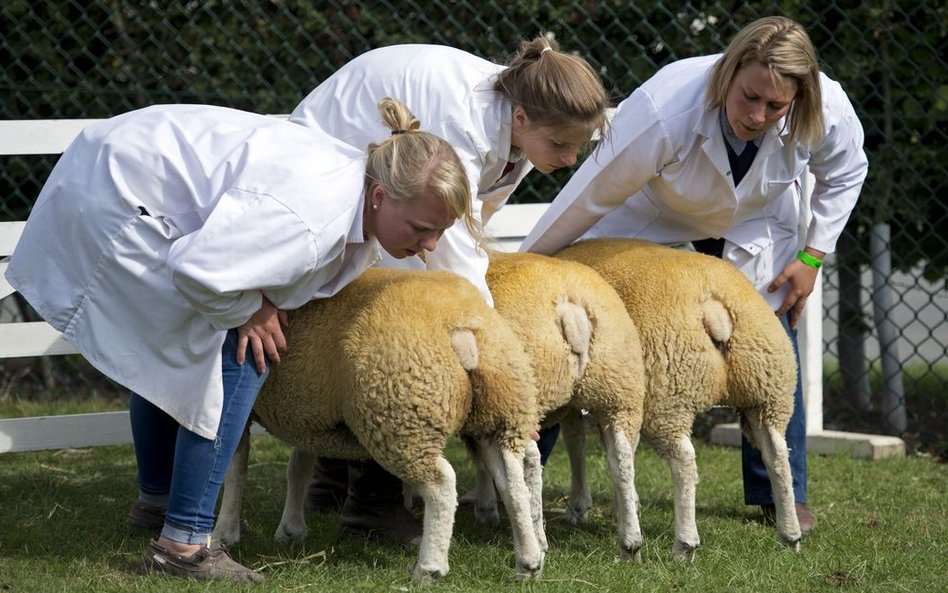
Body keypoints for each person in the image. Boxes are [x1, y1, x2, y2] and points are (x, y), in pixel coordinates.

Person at [4, 98, 472, 582]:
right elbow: (201, 269)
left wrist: (255, 304)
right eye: (421, 228)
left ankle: (158, 504)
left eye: (439, 232)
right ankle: (182, 544)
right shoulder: (313, 216)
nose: (430, 246)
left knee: (173, 352)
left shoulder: (354, 186)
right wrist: (251, 309)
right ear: (379, 198)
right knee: (243, 352)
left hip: (118, 167)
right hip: (117, 194)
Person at [520, 16, 869, 535]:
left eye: (776, 106)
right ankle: (521, 470)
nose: (758, 115)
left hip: (755, 214)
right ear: (730, 72)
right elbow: (586, 196)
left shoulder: (825, 105)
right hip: (651, 205)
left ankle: (781, 492)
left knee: (770, 334)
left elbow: (846, 170)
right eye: (749, 96)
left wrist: (813, 257)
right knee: (570, 312)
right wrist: (531, 270)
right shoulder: (666, 108)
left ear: (798, 96)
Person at [288, 37, 610, 540]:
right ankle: (371, 506)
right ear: (522, 119)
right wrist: (506, 373)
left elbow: (476, 216)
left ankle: (333, 480)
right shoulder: (462, 123)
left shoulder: (519, 133)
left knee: (395, 313)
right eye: (562, 146)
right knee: (406, 333)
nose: (569, 159)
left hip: (389, 185)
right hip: (335, 162)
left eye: (577, 147)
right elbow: (452, 254)